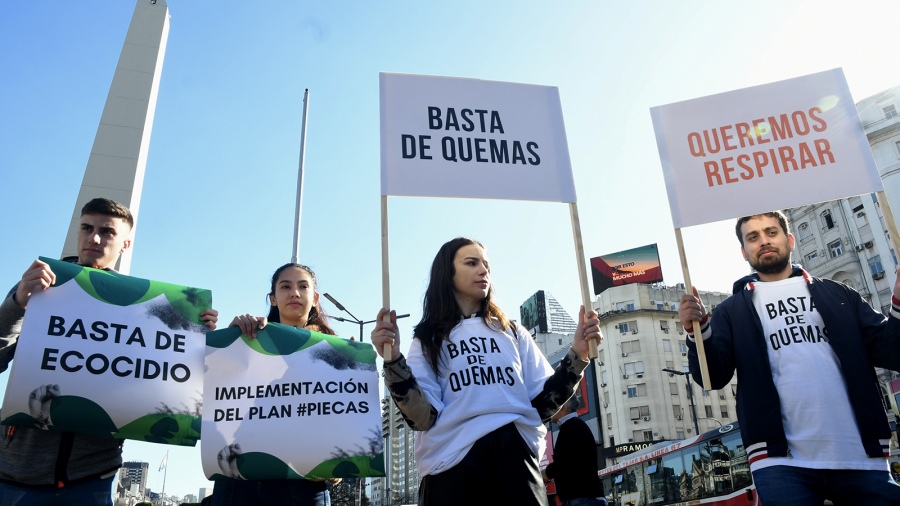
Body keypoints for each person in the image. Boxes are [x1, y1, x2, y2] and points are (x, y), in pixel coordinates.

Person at [0, 198, 218, 505]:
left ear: (125, 244)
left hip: (91, 477)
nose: (94, 238)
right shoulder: (36, 288)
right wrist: (17, 305)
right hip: (17, 471)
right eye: (87, 228)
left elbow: (163, 382)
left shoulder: (143, 311)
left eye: (107, 231)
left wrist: (197, 342)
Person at [677, 210, 900, 505]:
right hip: (779, 460)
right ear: (744, 252)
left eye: (771, 232)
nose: (764, 241)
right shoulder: (732, 310)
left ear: (790, 240)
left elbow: (891, 351)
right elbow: (712, 377)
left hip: (859, 452)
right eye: (753, 237)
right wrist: (698, 332)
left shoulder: (840, 294)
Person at [371, 237, 601, 506]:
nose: (484, 271)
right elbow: (422, 418)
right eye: (471, 263)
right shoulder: (428, 339)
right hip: (452, 467)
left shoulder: (512, 331)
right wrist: (394, 360)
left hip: (517, 464)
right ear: (448, 273)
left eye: (487, 265)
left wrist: (578, 355)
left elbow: (542, 404)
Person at [212, 262, 338, 506]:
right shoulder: (247, 340)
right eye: (285, 286)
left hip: (303, 478)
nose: (294, 292)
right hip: (241, 473)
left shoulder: (334, 352)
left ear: (315, 298)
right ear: (272, 298)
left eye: (303, 286)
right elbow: (215, 392)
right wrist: (229, 342)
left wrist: (354, 369)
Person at [543, 394, 606, 506]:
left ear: (562, 406)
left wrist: (546, 473)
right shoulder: (573, 425)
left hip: (582, 500)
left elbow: (565, 462)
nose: (550, 410)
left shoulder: (572, 426)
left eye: (553, 405)